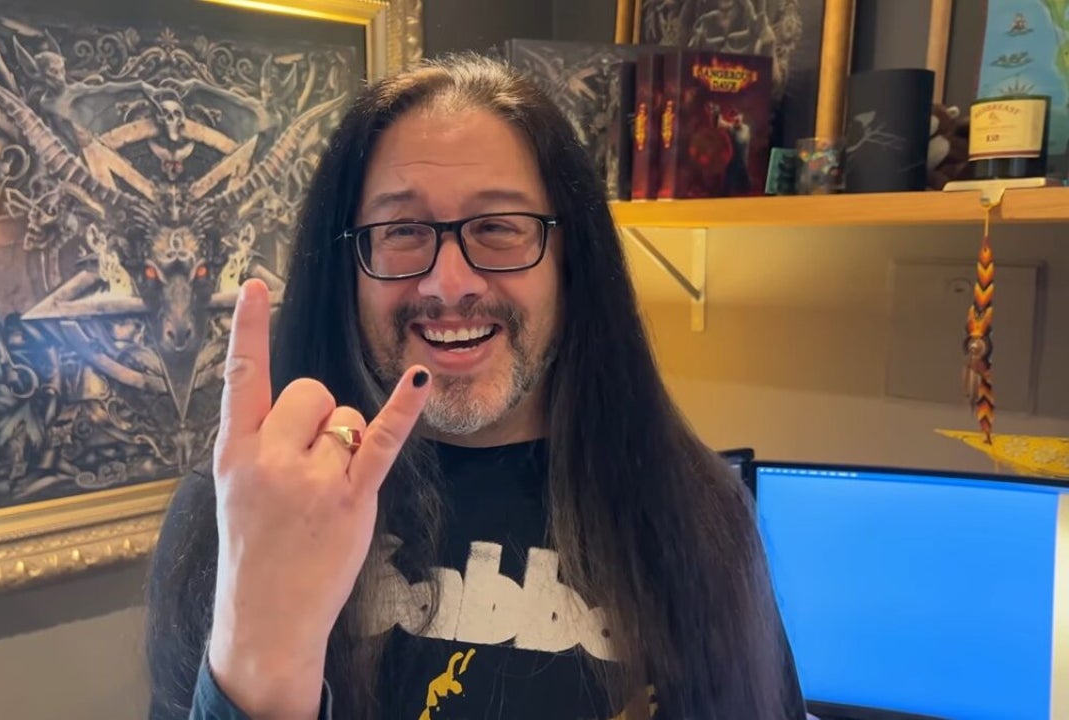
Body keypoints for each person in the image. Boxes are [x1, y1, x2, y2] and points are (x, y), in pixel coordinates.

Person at [145, 53, 806, 720]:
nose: (450, 284)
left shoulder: (695, 511)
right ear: (347, 267)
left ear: (571, 260)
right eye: (403, 231)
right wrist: (260, 652)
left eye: (497, 228)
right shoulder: (243, 512)